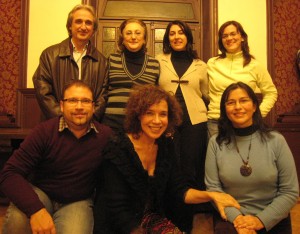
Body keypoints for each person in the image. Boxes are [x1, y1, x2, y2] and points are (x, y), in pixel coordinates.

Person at [93, 84, 240, 234]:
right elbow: (118, 210)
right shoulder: (117, 149)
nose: (157, 121)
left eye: (163, 114)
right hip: (118, 225)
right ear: (138, 115)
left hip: (151, 219)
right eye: (149, 113)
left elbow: (179, 190)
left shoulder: (165, 145)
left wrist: (211, 195)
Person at [0, 80, 112, 234]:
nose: (79, 107)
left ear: (93, 106)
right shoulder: (44, 132)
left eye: (85, 101)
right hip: (41, 193)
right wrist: (36, 210)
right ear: (62, 105)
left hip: (78, 201)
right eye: (72, 100)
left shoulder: (105, 136)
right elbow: (9, 174)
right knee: (18, 220)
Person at [205, 82, 299, 234]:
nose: (237, 107)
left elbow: (290, 191)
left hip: (274, 218)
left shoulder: (276, 140)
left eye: (244, 100)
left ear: (255, 106)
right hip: (232, 220)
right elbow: (214, 189)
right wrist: (238, 220)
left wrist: (260, 220)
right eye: (231, 102)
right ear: (225, 110)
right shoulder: (215, 143)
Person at [156, 20, 210, 231]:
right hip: (165, 121)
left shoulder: (201, 65)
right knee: (167, 166)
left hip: (194, 122)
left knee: (189, 170)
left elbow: (206, 94)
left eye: (180, 33)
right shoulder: (159, 61)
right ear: (168, 38)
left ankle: (186, 223)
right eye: (172, 33)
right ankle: (165, 220)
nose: (176, 36)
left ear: (188, 36)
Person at [33, 4, 108, 121]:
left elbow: (103, 97)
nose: (83, 27)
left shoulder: (102, 62)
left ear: (93, 29)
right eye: (78, 22)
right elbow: (43, 91)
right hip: (56, 126)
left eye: (88, 23)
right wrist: (64, 118)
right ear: (69, 26)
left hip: (88, 126)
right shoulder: (49, 55)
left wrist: (86, 120)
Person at [207, 20, 278, 138]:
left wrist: (257, 114)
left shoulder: (254, 65)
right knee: (218, 156)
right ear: (221, 40)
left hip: (244, 122)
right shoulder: (212, 63)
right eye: (225, 36)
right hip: (216, 122)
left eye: (233, 34)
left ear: (242, 37)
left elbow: (271, 92)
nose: (229, 38)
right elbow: (204, 90)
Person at [101, 18, 160, 131]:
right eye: (128, 33)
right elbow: (103, 92)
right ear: (122, 38)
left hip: (141, 127)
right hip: (110, 125)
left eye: (138, 33)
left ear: (144, 39)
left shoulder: (154, 64)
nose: (133, 37)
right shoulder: (112, 60)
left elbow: (156, 98)